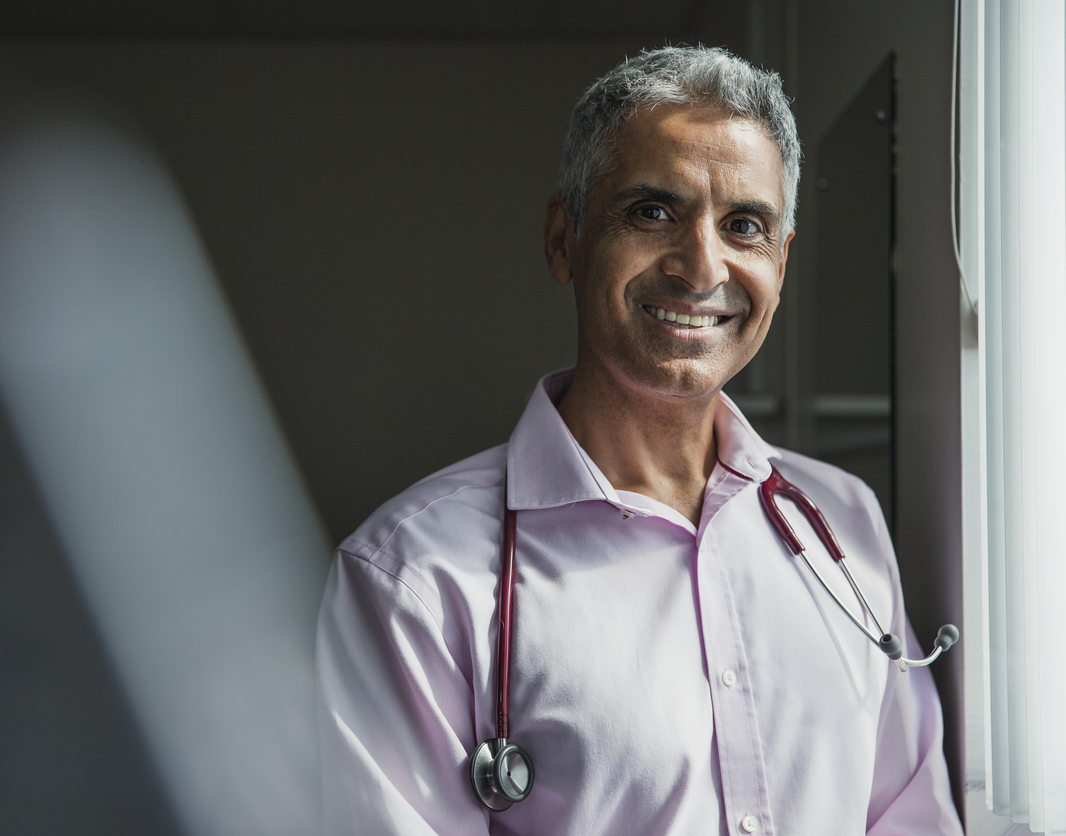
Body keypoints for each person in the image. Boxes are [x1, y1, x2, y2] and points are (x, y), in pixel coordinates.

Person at [315, 46, 964, 835]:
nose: (702, 266)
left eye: (744, 225)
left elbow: (909, 816)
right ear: (564, 238)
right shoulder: (413, 580)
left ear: (781, 264)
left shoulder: (841, 527)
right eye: (653, 211)